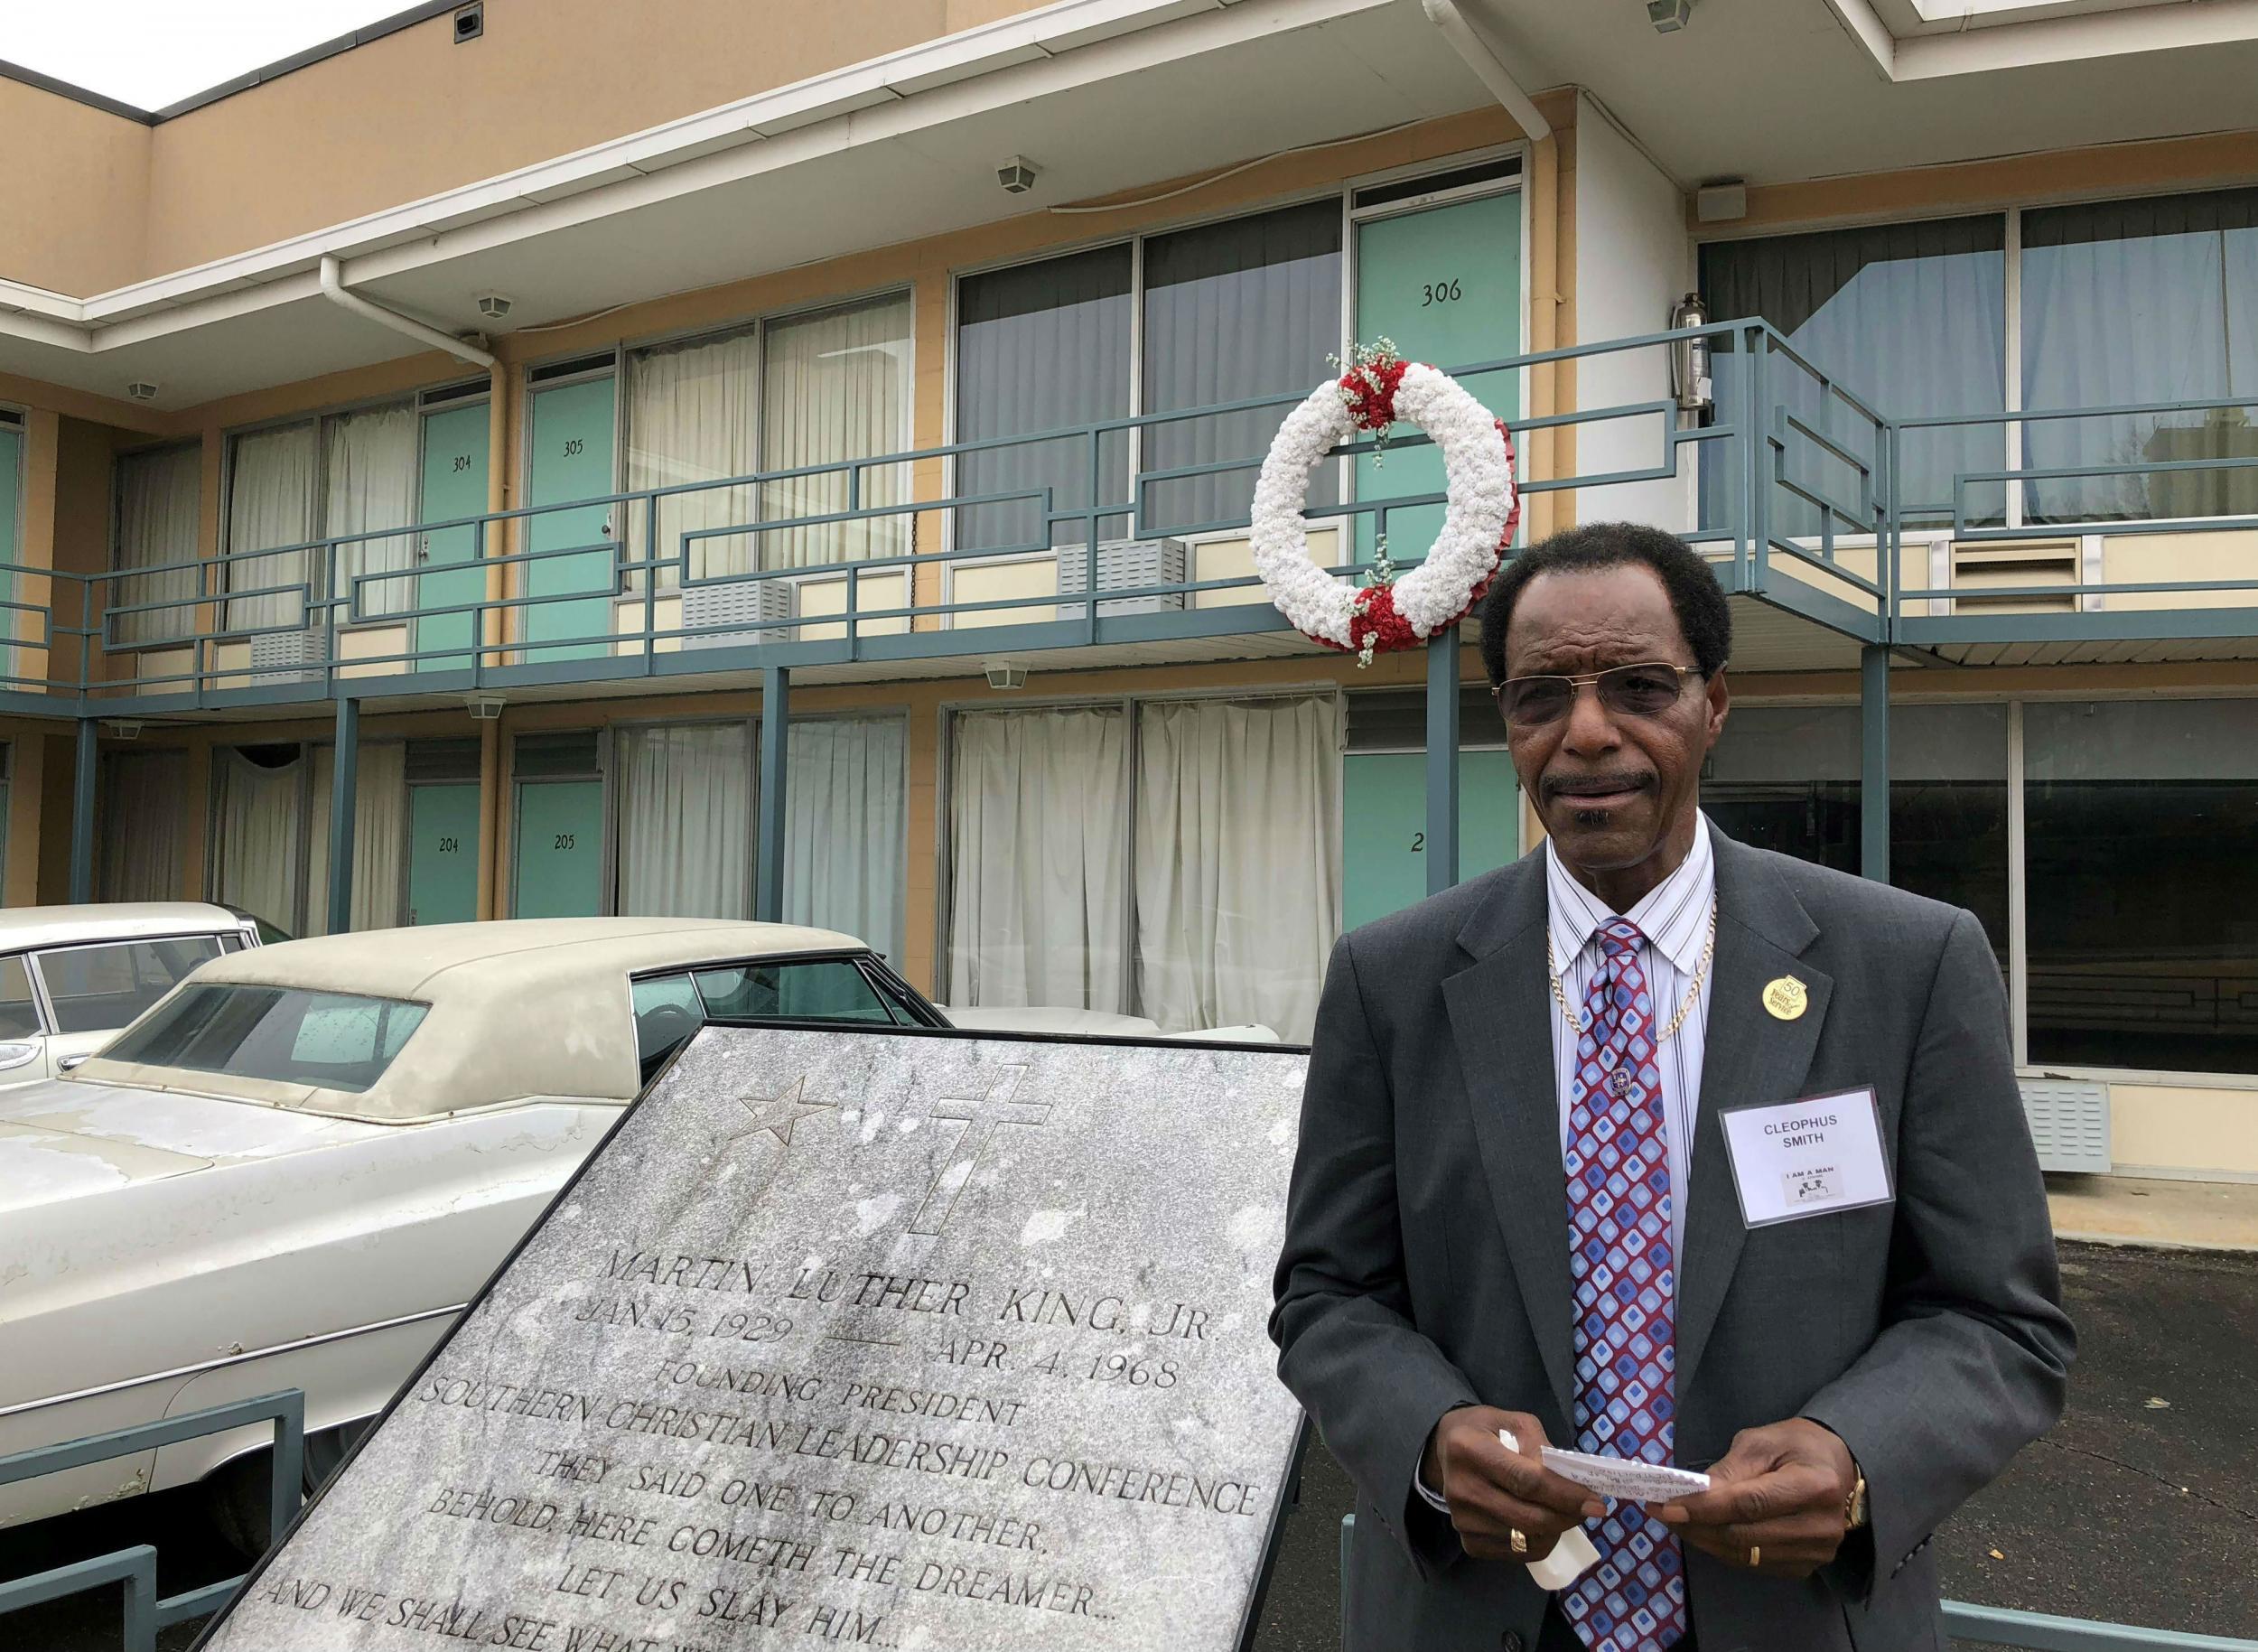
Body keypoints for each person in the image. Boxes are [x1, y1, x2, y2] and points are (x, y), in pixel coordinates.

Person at [1271, 522, 2073, 1652]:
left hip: (1794, 1619)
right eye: (1539, 694)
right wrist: (1429, 1432)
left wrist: (1855, 1453)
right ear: (1507, 720)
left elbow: (1998, 1315)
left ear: (1715, 704)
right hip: (1478, 1615)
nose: (1586, 732)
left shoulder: (1907, 963)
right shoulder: (1390, 979)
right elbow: (1325, 1292)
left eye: (1641, 686)